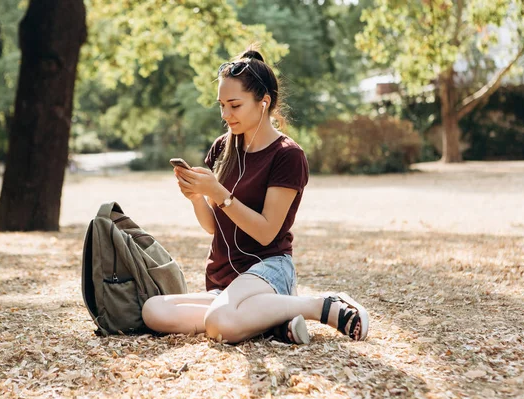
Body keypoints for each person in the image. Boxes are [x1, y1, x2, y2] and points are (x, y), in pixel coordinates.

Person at [142, 49, 369, 344]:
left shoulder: (288, 156)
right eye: (222, 105)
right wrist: (197, 197)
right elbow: (214, 226)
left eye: (234, 105)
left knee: (219, 323)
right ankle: (273, 322)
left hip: (268, 270)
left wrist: (218, 192)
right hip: (225, 280)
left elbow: (265, 233)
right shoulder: (222, 148)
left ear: (264, 103)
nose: (225, 115)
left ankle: (320, 304)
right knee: (153, 310)